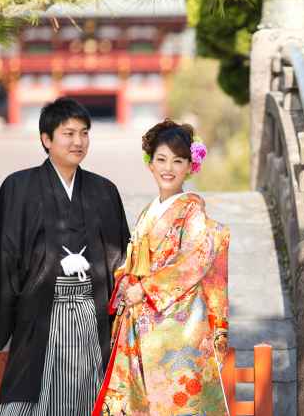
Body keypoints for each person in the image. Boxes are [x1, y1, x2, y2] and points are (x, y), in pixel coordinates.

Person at [0, 97, 131, 416]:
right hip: (39, 313)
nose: (79, 141)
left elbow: (121, 258)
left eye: (84, 133)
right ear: (46, 138)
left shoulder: (104, 190)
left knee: (89, 397)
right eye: (68, 133)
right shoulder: (18, 187)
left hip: (91, 314)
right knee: (26, 399)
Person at [93, 119, 230, 416]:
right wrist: (128, 282)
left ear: (190, 166)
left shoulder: (192, 206)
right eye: (161, 159)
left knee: (174, 402)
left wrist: (145, 288)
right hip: (142, 317)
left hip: (177, 324)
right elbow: (134, 261)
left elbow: (194, 259)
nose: (168, 168)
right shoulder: (148, 211)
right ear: (150, 163)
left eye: (178, 160)